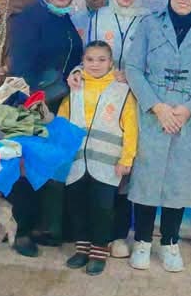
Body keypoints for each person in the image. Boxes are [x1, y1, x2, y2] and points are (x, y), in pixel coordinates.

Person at [124, 0, 191, 272]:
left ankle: (170, 242)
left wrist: (188, 109)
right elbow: (133, 68)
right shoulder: (150, 25)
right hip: (154, 114)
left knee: (178, 182)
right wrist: (157, 107)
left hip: (187, 118)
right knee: (147, 178)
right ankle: (142, 241)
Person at [6, 0, 85, 256]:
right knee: (27, 167)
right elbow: (21, 66)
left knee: (45, 166)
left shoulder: (64, 18)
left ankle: (41, 225)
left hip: (57, 103)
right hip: (33, 103)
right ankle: (21, 231)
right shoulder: (31, 17)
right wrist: (32, 102)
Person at [57, 41, 138, 276]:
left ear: (111, 62)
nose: (95, 64)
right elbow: (62, 122)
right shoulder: (75, 87)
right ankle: (82, 248)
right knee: (77, 206)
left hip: (107, 164)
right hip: (76, 162)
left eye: (102, 60)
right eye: (90, 59)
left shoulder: (122, 90)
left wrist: (127, 158)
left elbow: (131, 127)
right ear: (82, 61)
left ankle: (99, 251)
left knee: (102, 209)